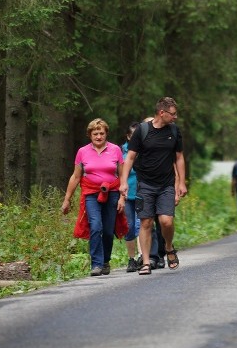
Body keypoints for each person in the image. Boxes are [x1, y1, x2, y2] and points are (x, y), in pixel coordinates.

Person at [119, 97, 188, 275]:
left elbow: (179, 157)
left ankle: (168, 247)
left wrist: (181, 182)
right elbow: (130, 158)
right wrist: (124, 182)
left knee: (166, 221)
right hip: (145, 184)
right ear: (161, 113)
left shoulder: (174, 130)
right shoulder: (142, 131)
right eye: (172, 114)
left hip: (166, 184)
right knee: (146, 222)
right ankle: (146, 262)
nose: (176, 117)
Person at [62, 118, 125, 276]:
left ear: (106, 134)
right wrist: (67, 199)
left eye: (101, 133)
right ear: (90, 135)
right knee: (96, 226)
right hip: (91, 193)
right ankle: (96, 264)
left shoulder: (115, 149)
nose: (98, 136)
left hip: (112, 193)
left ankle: (105, 261)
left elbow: (123, 176)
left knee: (109, 230)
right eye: (95, 133)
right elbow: (76, 177)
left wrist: (123, 197)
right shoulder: (82, 152)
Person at [121, 122, 142, 272]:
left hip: (143, 193)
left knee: (141, 225)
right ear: (128, 137)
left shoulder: (146, 151)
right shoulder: (122, 154)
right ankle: (131, 259)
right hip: (127, 195)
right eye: (133, 135)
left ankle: (143, 255)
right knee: (129, 227)